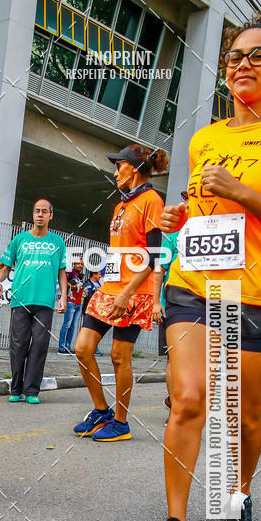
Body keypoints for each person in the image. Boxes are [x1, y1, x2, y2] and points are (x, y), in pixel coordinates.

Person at [142, 12, 261, 521]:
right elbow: (204, 208)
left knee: (243, 415)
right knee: (189, 398)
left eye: (257, 56)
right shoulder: (204, 139)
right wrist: (181, 215)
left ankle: (237, 494)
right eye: (234, 57)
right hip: (195, 285)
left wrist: (240, 190)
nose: (242, 65)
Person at [73, 145, 168, 440]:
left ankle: (121, 422)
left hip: (134, 293)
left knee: (118, 356)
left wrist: (128, 293)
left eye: (120, 166)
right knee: (82, 348)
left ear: (135, 168)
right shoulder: (120, 205)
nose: (115, 172)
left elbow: (153, 255)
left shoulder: (152, 200)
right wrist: (104, 277)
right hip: (110, 287)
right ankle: (101, 410)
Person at [0, 201, 67, 404]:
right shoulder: (19, 239)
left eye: (44, 211)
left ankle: (32, 390)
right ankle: (16, 389)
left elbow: (62, 272)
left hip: (44, 302)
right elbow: (6, 265)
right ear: (33, 214)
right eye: (37, 211)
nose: (40, 215)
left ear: (51, 216)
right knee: (18, 344)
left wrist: (63, 296)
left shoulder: (57, 242)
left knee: (40, 345)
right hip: (20, 299)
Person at [152, 228, 180, 416]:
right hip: (171, 304)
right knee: (174, 358)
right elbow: (159, 271)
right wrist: (155, 303)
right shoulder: (172, 239)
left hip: (206, 304)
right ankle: (175, 408)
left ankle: (180, 402)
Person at [58, 260, 84, 354]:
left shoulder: (81, 275)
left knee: (73, 327)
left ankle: (68, 347)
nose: (80, 265)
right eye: (78, 263)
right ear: (74, 264)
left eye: (82, 264)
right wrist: (72, 287)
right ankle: (61, 348)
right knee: (67, 325)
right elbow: (63, 281)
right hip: (70, 301)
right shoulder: (70, 272)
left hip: (78, 302)